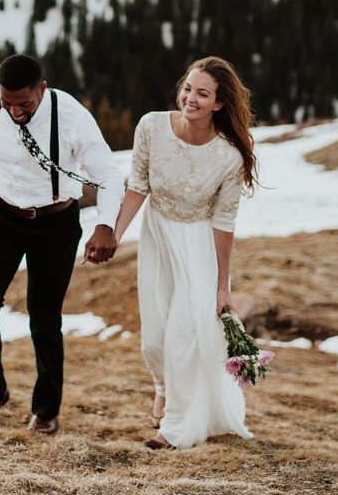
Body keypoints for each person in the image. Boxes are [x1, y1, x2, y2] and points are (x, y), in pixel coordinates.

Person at [0, 53, 124, 435]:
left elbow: (110, 177)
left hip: (55, 223)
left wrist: (104, 227)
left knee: (44, 320)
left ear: (42, 90)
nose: (15, 111)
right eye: (7, 103)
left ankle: (46, 411)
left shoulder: (73, 117)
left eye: (24, 104)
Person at [109, 56, 258, 449]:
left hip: (198, 246)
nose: (190, 98)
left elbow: (224, 224)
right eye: (187, 88)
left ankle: (174, 427)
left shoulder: (229, 156)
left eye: (202, 93)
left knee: (184, 337)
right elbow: (137, 185)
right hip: (157, 237)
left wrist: (222, 288)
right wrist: (114, 234)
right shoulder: (151, 126)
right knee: (153, 340)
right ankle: (163, 387)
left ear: (219, 104)